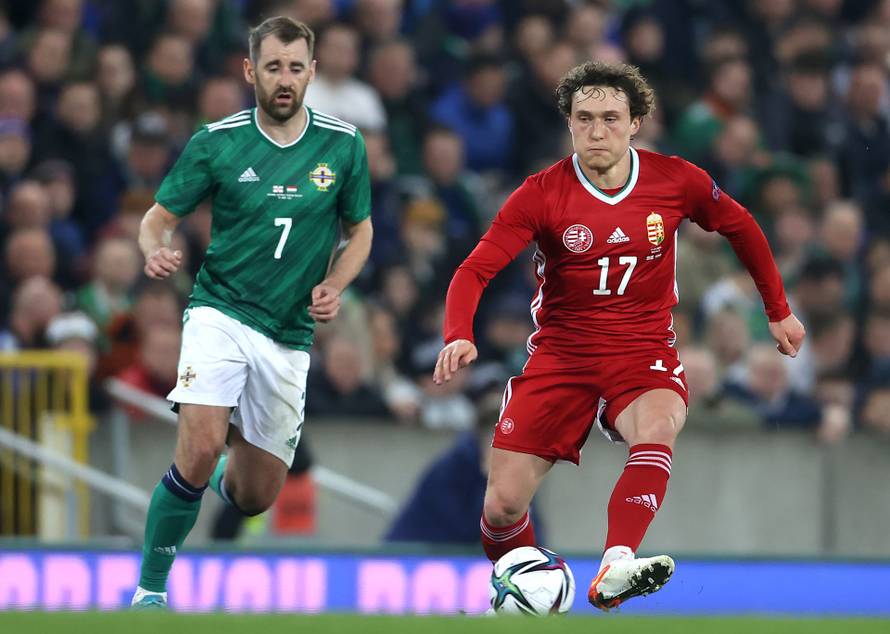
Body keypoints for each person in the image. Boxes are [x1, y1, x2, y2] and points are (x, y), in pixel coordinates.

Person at [433, 62, 804, 611]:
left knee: (658, 424)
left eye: (610, 118)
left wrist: (778, 310)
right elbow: (474, 270)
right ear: (569, 124)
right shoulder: (541, 194)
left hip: (642, 349)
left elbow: (741, 226)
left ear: (635, 123)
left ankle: (616, 564)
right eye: (584, 118)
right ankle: (524, 587)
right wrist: (458, 333)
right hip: (562, 356)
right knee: (502, 507)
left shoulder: (675, 180)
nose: (597, 130)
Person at [130, 16, 372, 608]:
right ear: (250, 71)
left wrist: (335, 283)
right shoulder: (217, 141)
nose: (284, 79)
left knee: (255, 495)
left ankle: (214, 474)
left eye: (295, 68)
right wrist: (154, 248)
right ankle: (149, 592)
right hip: (220, 310)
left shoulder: (343, 145)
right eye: (273, 67)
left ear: (312, 72)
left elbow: (360, 230)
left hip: (289, 334)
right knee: (199, 446)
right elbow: (158, 219)